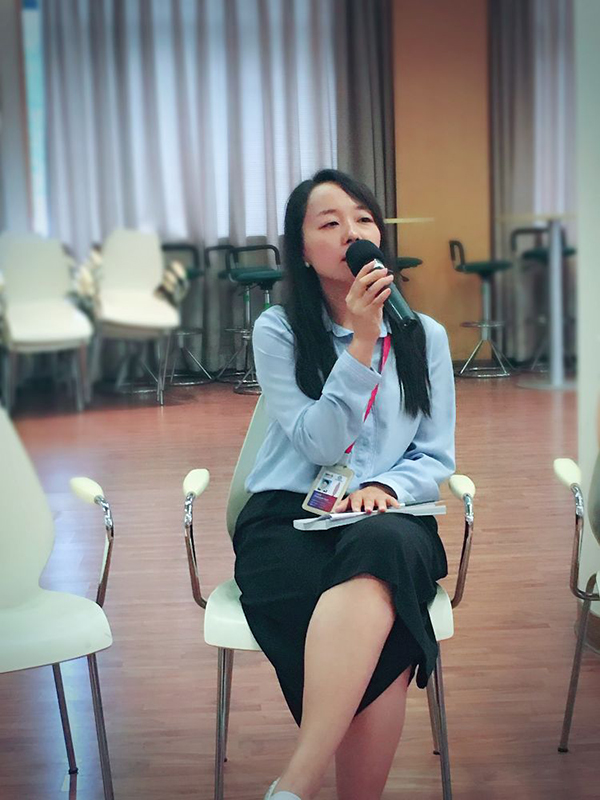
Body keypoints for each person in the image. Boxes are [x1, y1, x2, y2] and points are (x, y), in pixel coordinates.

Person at [233, 168, 456, 800]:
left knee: (385, 551)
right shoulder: (279, 330)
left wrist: (391, 488)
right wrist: (360, 341)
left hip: (387, 514)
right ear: (303, 251)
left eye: (362, 220)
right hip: (289, 515)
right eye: (329, 223)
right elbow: (318, 445)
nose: (352, 234)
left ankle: (295, 784)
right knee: (386, 628)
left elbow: (434, 454)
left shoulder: (425, 336)